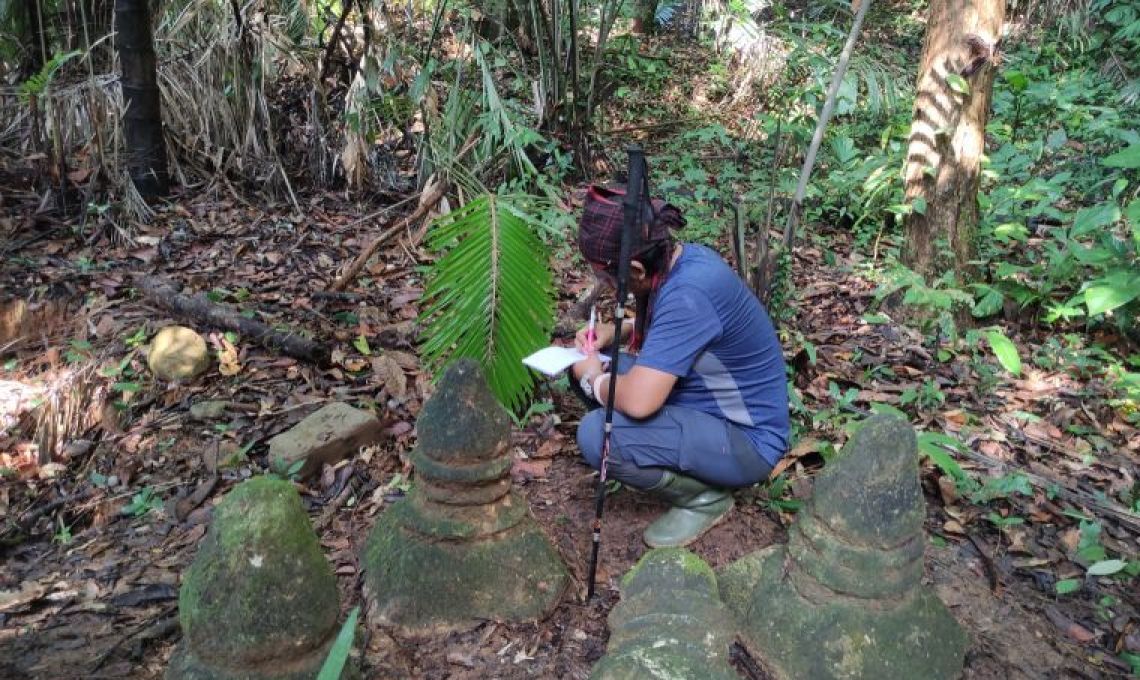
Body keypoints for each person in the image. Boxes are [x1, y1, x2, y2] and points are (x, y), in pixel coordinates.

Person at [569, 184, 790, 548]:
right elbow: (680, 332)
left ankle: (703, 498)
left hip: (747, 438)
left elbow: (640, 401)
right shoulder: (679, 263)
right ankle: (677, 457)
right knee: (585, 368)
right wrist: (614, 332)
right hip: (705, 404)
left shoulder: (689, 294)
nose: (606, 287)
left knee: (598, 435)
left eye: (607, 278)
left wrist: (595, 378)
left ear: (636, 269)